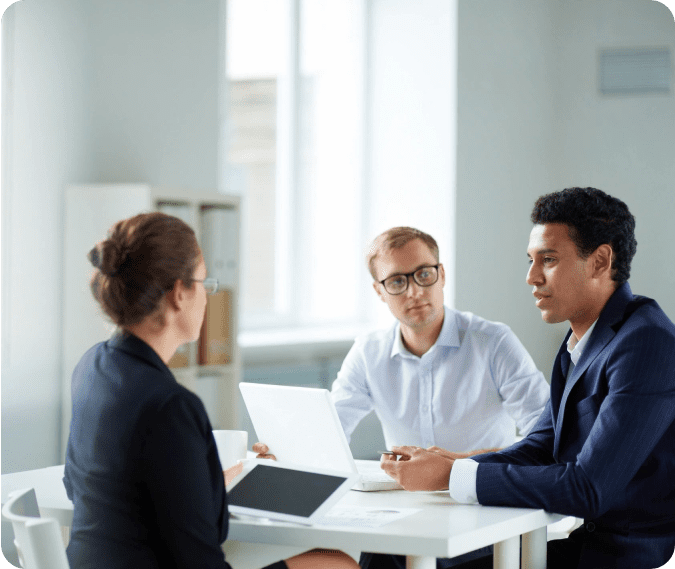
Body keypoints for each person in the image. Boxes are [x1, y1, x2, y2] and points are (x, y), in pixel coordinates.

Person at [381, 188, 675, 569]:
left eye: (548, 260)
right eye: (531, 260)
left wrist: (453, 475)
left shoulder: (646, 344)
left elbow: (589, 489)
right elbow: (541, 446)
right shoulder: (580, 340)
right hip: (584, 545)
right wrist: (452, 464)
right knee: (397, 556)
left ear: (601, 261)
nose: (531, 277)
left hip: (629, 558)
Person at [63, 212, 358, 569]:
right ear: (179, 294)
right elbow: (200, 556)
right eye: (204, 283)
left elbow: (86, 487)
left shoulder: (92, 367)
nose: (207, 297)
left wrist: (210, 483)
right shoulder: (170, 404)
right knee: (337, 563)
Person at [256, 226, 550, 568]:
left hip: (482, 517)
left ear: (441, 275)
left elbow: (547, 438)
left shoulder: (493, 341)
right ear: (379, 292)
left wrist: (457, 464)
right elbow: (330, 430)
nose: (413, 291)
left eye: (424, 274)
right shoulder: (369, 351)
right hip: (403, 520)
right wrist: (284, 452)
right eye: (397, 281)